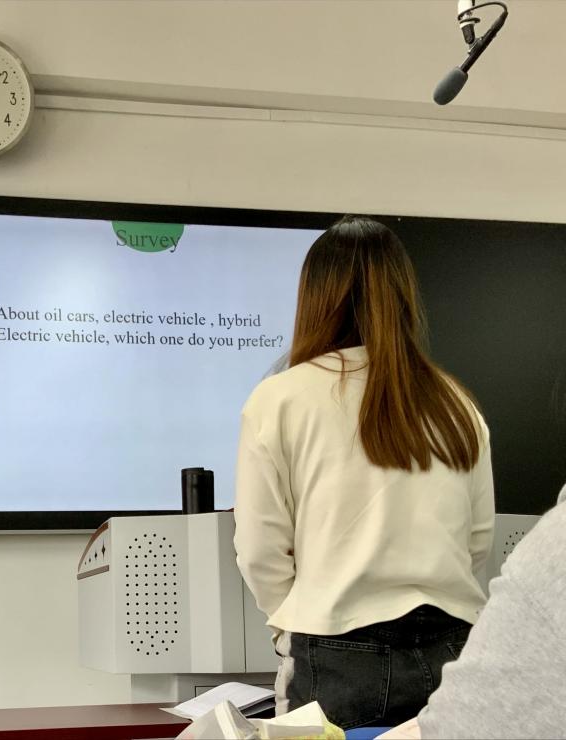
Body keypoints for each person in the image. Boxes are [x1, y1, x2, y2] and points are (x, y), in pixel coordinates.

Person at [233, 215, 494, 730]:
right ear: (402, 295)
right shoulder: (456, 404)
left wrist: (300, 622)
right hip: (454, 652)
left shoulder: (279, 399)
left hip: (335, 656)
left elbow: (260, 550)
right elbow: (477, 542)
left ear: (314, 297)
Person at [414, 481, 566, 739]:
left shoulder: (555, 548)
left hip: (352, 639)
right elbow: (479, 540)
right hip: (452, 632)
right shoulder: (470, 445)